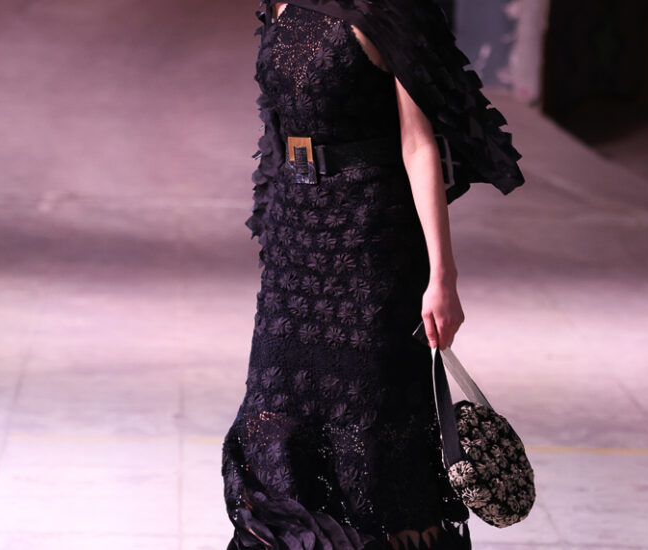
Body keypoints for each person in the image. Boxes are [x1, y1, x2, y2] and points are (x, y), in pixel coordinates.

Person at [221, 1, 525, 549]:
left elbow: (419, 143)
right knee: (273, 413)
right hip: (296, 240)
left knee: (372, 424)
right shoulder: (281, 3)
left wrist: (442, 276)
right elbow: (280, 122)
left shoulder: (388, 9)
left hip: (371, 241)